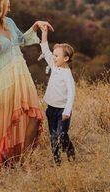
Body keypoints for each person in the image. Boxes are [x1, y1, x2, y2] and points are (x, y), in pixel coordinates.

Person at [0, 0, 53, 173]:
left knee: (34, 117)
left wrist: (35, 25)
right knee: (5, 123)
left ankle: (23, 160)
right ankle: (3, 162)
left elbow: (22, 40)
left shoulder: (9, 22)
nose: (9, 8)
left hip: (22, 75)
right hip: (4, 81)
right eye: (6, 5)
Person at [39, 24, 76, 164]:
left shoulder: (67, 75)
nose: (53, 58)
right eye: (54, 55)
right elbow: (45, 49)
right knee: (53, 136)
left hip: (62, 111)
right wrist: (44, 33)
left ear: (65, 59)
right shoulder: (54, 65)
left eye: (57, 56)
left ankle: (70, 150)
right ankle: (57, 161)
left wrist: (67, 111)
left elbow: (72, 94)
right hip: (51, 109)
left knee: (62, 134)